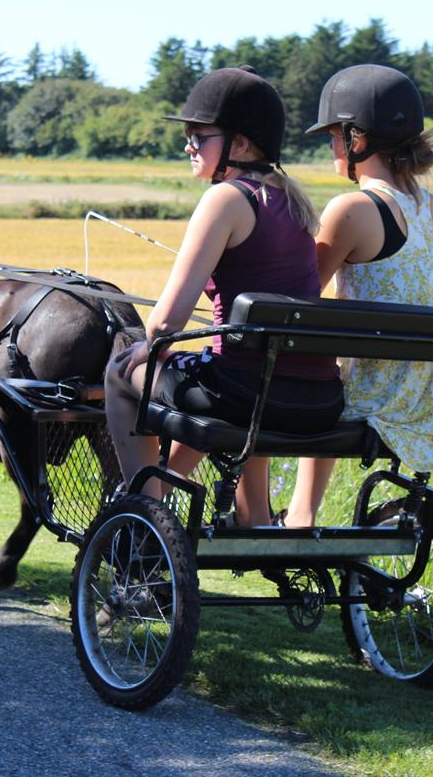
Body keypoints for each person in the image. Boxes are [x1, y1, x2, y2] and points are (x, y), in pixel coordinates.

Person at [105, 65, 343, 526]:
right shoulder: (293, 201)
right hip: (315, 397)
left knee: (123, 371)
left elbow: (166, 322)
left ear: (239, 143)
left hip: (244, 393)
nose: (188, 144)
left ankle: (143, 513)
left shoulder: (227, 199)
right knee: (216, 377)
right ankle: (250, 517)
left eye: (200, 135)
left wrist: (149, 344)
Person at [283, 64, 433, 527]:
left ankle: (297, 515)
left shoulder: (352, 208)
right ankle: (298, 513)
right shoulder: (431, 208)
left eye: (334, 136)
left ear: (358, 140)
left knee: (287, 372)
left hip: (375, 396)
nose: (331, 147)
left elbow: (294, 300)